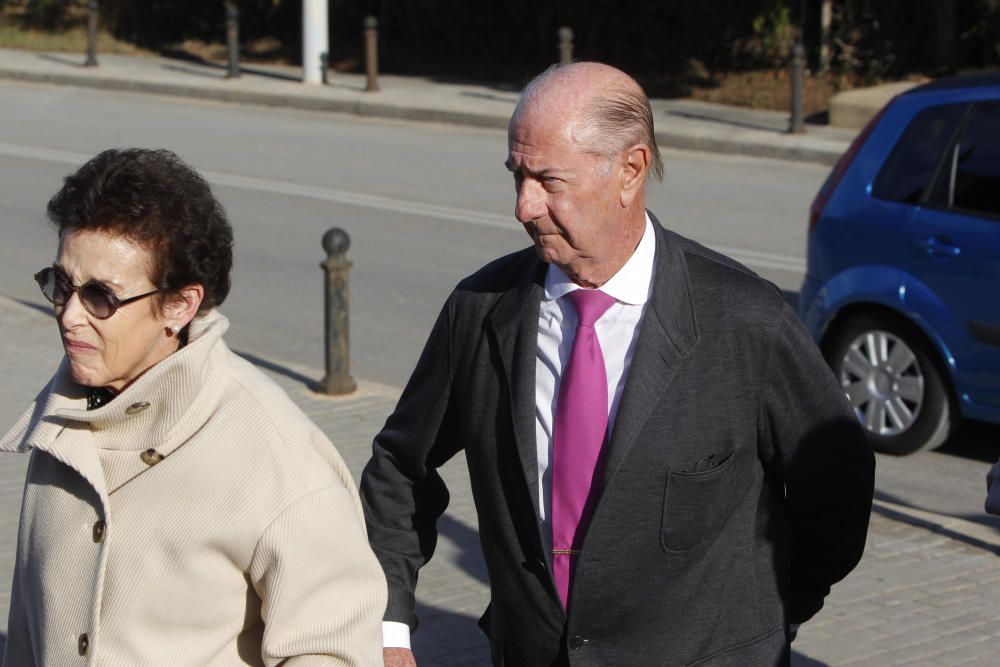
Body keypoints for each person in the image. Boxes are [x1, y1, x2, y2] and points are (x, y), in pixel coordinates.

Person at [361, 62, 875, 666]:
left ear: (629, 171)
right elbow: (400, 469)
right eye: (516, 176)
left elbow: (835, 481)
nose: (524, 206)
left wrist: (771, 611)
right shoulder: (480, 312)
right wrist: (390, 624)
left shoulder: (743, 319)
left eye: (549, 180)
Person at [0, 148, 386, 666]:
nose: (69, 315)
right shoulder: (60, 421)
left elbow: (335, 652)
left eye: (100, 297)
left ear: (179, 306)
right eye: (61, 286)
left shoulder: (278, 456)